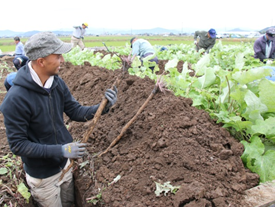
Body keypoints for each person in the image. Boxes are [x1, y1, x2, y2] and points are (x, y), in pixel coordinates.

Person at [0, 31, 118, 207]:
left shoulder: (56, 82)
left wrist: (104, 106)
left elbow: (76, 111)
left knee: (69, 203)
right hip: (42, 177)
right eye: (58, 56)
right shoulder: (15, 100)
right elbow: (18, 145)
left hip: (65, 166)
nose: (63, 60)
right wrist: (61, 150)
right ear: (41, 61)